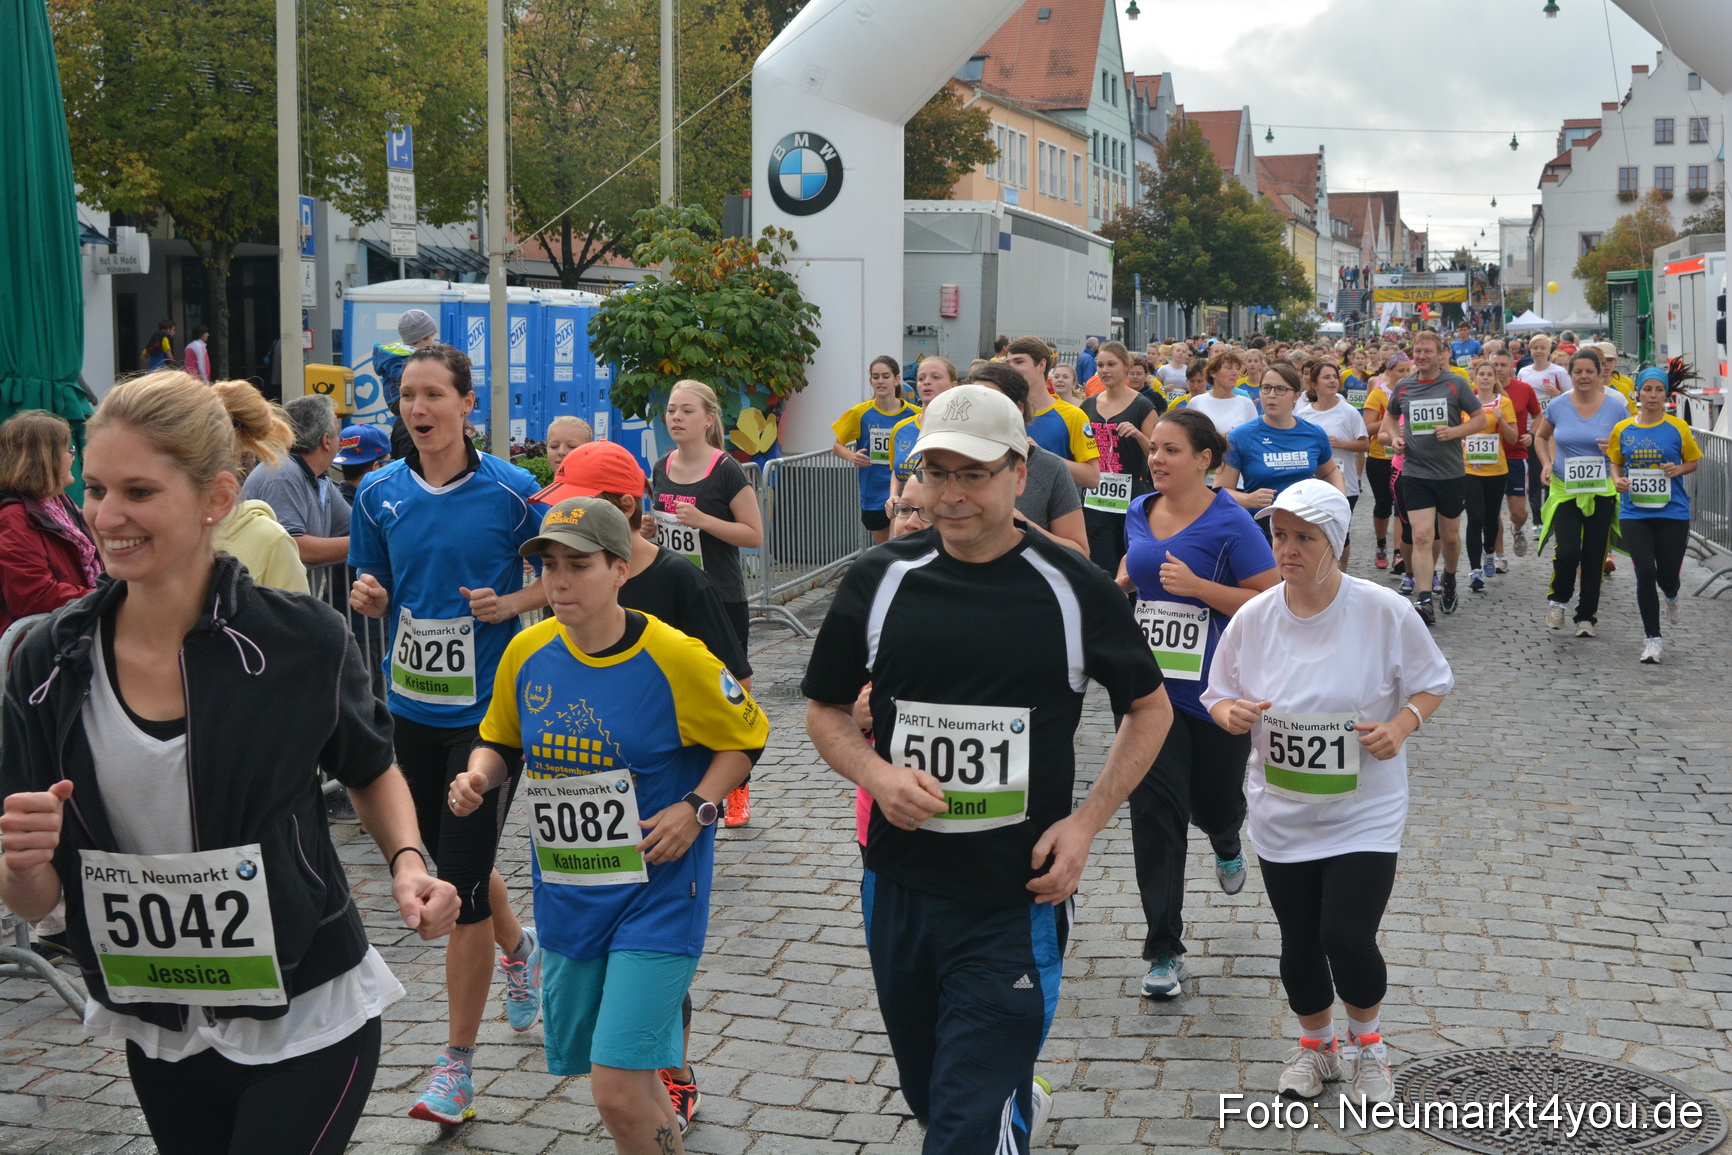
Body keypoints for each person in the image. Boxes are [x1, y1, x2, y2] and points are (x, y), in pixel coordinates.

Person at [0, 372, 460, 1155]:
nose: (108, 516)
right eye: (97, 487)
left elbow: (368, 763)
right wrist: (19, 862)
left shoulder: (300, 639)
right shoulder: (46, 660)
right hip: (161, 1020)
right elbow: (37, 888)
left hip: (309, 1009)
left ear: (216, 497)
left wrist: (408, 861)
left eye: (139, 491)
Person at [802, 384, 1172, 1155]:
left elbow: (1150, 707)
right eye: (935, 474)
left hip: (1016, 896)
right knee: (932, 1093)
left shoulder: (1074, 587)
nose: (952, 494)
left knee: (961, 1128)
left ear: (1018, 469)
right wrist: (878, 777)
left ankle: (1001, 1111)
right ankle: (1011, 1109)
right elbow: (825, 713)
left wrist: (1085, 823)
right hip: (899, 885)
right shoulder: (880, 578)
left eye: (972, 473)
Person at [448, 497, 765, 1153]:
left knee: (616, 1086)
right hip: (570, 898)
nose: (560, 582)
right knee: (630, 1088)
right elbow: (501, 740)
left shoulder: (675, 656)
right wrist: (479, 776)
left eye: (579, 565)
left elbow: (747, 738)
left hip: (658, 896)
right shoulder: (528, 651)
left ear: (620, 568)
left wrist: (698, 806)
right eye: (550, 566)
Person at [348, 344, 550, 1125]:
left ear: (469, 404)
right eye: (407, 395)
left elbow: (571, 569)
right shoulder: (377, 493)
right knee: (452, 854)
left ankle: (455, 1068)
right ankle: (520, 948)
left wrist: (515, 599)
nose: (418, 408)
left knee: (460, 882)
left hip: (490, 721)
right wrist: (368, 596)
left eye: (434, 393)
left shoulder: (513, 490)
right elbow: (373, 587)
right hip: (411, 708)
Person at [1204, 480, 1453, 1106]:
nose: (1285, 549)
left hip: (1363, 810)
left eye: (1303, 538)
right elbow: (1217, 692)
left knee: (1345, 933)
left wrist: (1401, 724)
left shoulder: (1382, 612)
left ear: (1334, 545)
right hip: (1282, 808)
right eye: (1278, 535)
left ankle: (1370, 1047)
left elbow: (1431, 682)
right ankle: (1316, 1048)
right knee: (1299, 938)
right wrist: (1231, 713)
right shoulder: (1254, 617)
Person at [1118, 408, 1277, 999]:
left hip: (1215, 695)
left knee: (1212, 804)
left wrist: (1203, 590)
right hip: (1147, 692)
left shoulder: (1231, 521)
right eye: (1153, 449)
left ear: (1205, 460)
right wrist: (1109, 603)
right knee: (1154, 817)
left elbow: (1269, 602)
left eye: (1171, 450)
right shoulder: (1140, 510)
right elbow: (1131, 574)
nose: (1156, 458)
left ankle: (1228, 834)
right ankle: (1164, 949)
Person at [653, 380, 764, 826]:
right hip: (673, 598)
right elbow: (664, 529)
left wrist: (703, 520)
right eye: (671, 410)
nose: (676, 418)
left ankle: (737, 787)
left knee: (729, 694)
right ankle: (692, 786)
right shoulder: (661, 466)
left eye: (686, 411)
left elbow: (754, 535)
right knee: (677, 695)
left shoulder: (726, 469)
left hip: (720, 597)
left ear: (709, 419)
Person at [1379, 331, 1484, 626]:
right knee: (1422, 535)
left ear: (1440, 354)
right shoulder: (1404, 386)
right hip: (1415, 471)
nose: (1422, 356)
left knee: (1449, 537)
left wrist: (1454, 432)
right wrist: (1393, 437)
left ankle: (1449, 577)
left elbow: (1480, 419)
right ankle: (1424, 599)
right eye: (1418, 351)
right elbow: (1389, 417)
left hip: (1450, 473)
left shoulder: (1455, 383)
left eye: (1428, 351)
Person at [1608, 367, 1701, 664]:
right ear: (1637, 392)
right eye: (1647, 389)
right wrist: (1617, 480)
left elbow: (1694, 461)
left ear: (1666, 395)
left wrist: (1678, 469)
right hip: (1635, 512)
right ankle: (1652, 639)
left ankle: (1672, 593)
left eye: (1658, 390)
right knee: (1645, 571)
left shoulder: (1677, 428)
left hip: (1673, 512)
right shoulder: (1623, 429)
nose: (1652, 395)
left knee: (1666, 575)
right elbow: (1615, 461)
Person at [1533, 348, 1628, 638]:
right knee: (1569, 550)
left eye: (1590, 371)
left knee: (1594, 555)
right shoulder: (1559, 405)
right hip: (1565, 489)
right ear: (1570, 375)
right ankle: (1558, 601)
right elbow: (1540, 436)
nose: (1584, 376)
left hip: (1601, 489)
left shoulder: (1615, 408)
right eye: (1578, 372)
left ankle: (1586, 616)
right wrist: (1547, 463)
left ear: (1600, 373)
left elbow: (1628, 447)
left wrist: (1613, 450)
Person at [965, 362, 1089, 555]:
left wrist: (1025, 528)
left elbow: (1080, 552)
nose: (980, 411)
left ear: (1019, 408)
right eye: (972, 403)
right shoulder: (952, 462)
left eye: (992, 402)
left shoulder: (1050, 468)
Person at [0, 411, 101, 630]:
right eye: (68, 449)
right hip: (42, 644)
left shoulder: (57, 503)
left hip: (70, 626)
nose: (72, 456)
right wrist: (104, 598)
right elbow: (33, 596)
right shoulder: (14, 517)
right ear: (46, 459)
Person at [241, 394, 352, 578]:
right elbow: (294, 546)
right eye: (338, 433)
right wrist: (362, 544)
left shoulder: (319, 478)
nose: (339, 441)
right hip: (271, 602)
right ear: (326, 441)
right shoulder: (282, 474)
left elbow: (354, 525)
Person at [1215, 363, 1344, 520]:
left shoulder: (1314, 433)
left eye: (1280, 389)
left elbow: (1329, 472)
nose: (1272, 395)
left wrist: (1340, 501)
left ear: (1296, 396)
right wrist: (1248, 499)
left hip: (1305, 523)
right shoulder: (1240, 436)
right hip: (1261, 527)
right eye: (1266, 388)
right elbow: (1220, 491)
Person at [1079, 341, 1160, 574]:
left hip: (1132, 494)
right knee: (1101, 566)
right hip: (1095, 497)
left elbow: (1156, 454)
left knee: (1131, 565)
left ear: (1126, 366)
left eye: (1111, 364)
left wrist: (1137, 435)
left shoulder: (1143, 406)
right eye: (1100, 365)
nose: (1104, 370)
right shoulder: (1088, 405)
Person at [833, 356, 921, 545]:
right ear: (871, 381)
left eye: (885, 376)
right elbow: (837, 445)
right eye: (876, 377)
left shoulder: (915, 414)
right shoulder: (860, 413)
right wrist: (852, 456)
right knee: (885, 551)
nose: (880, 381)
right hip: (873, 492)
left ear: (897, 380)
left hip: (906, 491)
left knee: (899, 547)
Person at [1297, 361, 1369, 570]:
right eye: (1326, 377)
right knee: (1314, 530)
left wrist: (1341, 443)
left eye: (1334, 377)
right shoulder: (1303, 414)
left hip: (1344, 483)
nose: (1332, 381)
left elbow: (1364, 444)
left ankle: (1341, 572)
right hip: (1313, 484)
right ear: (1314, 385)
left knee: (1340, 532)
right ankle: (1316, 570)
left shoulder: (1348, 412)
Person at [1007, 336, 1101, 489]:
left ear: (1042, 365)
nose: (1011, 368)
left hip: (1054, 510)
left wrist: (1039, 455)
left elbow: (1092, 478)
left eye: (1019, 362)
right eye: (1008, 363)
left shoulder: (1073, 415)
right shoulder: (1003, 412)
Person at [1461, 362, 1518, 593]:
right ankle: (1475, 570)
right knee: (1474, 517)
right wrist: (1462, 440)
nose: (1484, 378)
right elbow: (1455, 430)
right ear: (1474, 378)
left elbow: (1514, 438)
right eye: (1481, 374)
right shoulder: (1466, 404)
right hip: (1470, 469)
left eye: (1489, 375)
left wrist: (1501, 420)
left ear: (1495, 378)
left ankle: (1490, 552)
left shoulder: (1503, 403)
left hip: (1496, 469)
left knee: (1491, 517)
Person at [888, 357, 959, 508]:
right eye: (921, 378)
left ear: (954, 386)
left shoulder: (961, 429)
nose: (926, 382)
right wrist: (893, 495)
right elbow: (898, 470)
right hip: (905, 515)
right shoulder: (901, 428)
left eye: (936, 377)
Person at [1493, 349, 1541, 568]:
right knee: (1492, 510)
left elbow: (1538, 415)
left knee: (1518, 512)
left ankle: (1518, 529)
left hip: (1516, 454)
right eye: (1495, 365)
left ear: (1511, 367)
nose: (1499, 370)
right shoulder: (1479, 391)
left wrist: (1532, 435)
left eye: (1503, 365)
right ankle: (1499, 555)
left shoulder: (1524, 389)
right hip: (1488, 458)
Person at [377, 308, 442, 460]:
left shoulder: (407, 355)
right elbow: (406, 379)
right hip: (396, 400)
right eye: (432, 336)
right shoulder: (403, 358)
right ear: (424, 337)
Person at [1187, 350, 1258, 436]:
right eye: (1229, 368)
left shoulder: (1246, 403)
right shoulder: (1196, 402)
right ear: (1213, 373)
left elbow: (1253, 438)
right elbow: (1188, 438)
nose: (1235, 373)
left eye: (1236, 368)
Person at [333, 422, 393, 505]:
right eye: (388, 462)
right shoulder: (363, 510)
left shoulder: (334, 501)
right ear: (375, 467)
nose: (392, 468)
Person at [1516, 335, 1568, 402]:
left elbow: (1570, 398)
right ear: (1530, 350)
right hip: (1531, 412)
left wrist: (1558, 393)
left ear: (1549, 350)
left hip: (1552, 412)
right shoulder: (1523, 372)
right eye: (1535, 348)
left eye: (1543, 348)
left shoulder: (1560, 371)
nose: (1539, 351)